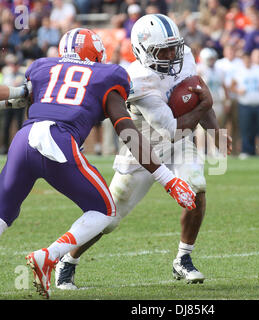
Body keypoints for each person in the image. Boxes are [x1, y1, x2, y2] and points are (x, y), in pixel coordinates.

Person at [0, 28, 198, 299]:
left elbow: (18, 94)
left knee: (3, 213)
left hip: (23, 140)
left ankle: (49, 258)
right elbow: (128, 133)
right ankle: (49, 256)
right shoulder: (108, 75)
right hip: (58, 141)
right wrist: (168, 179)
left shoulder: (41, 68)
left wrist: (18, 93)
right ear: (95, 53)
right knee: (104, 210)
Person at [55, 14, 232, 289]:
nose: (172, 55)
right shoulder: (137, 79)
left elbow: (197, 97)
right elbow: (172, 127)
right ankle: (68, 260)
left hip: (181, 142)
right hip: (142, 148)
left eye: (174, 47)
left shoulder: (184, 55)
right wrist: (205, 105)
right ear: (142, 50)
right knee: (108, 217)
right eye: (163, 50)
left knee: (196, 189)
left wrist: (215, 131)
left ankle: (183, 260)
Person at [231, 50, 259, 159]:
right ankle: (247, 151)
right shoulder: (239, 72)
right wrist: (238, 91)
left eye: (249, 60)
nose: (247, 62)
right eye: (245, 60)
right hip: (245, 104)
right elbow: (232, 85)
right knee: (246, 129)